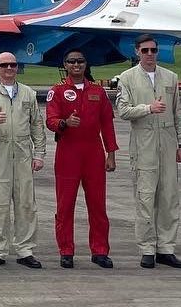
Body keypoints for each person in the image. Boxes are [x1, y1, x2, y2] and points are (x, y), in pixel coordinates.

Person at [114, 34, 181, 268]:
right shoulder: (127, 78)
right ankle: (147, 247)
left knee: (169, 197)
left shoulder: (171, 77)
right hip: (143, 141)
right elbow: (123, 110)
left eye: (153, 50)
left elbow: (178, 112)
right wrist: (148, 108)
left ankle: (166, 248)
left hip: (167, 141)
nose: (149, 54)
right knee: (145, 196)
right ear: (137, 52)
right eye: (145, 50)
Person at [0, 52, 46, 269]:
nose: (9, 69)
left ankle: (25, 249)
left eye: (13, 65)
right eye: (4, 65)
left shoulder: (28, 94)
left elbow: (36, 126)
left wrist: (39, 154)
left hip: (23, 153)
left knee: (26, 204)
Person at [46, 49, 118, 269]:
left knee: (97, 205)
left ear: (86, 65)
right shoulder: (57, 91)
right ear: (65, 65)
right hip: (68, 152)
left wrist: (111, 153)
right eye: (72, 62)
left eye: (80, 61)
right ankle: (66, 250)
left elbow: (107, 123)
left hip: (93, 153)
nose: (76, 65)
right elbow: (50, 120)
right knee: (65, 205)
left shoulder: (98, 91)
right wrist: (64, 123)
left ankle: (100, 250)